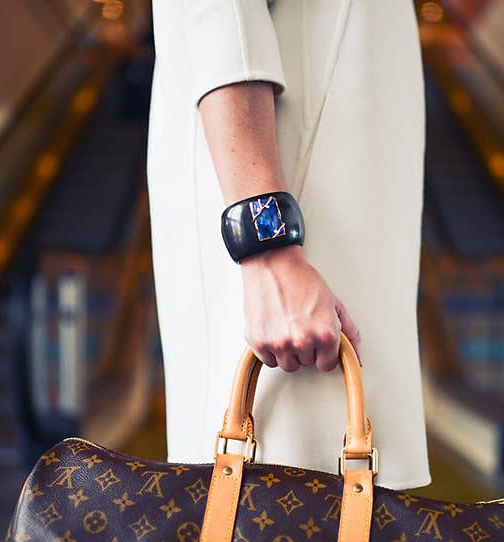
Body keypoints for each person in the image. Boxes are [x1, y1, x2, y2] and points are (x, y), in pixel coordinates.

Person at [147, 0, 430, 489]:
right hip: (293, 223)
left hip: (332, 223)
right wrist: (267, 248)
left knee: (333, 522)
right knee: (276, 515)